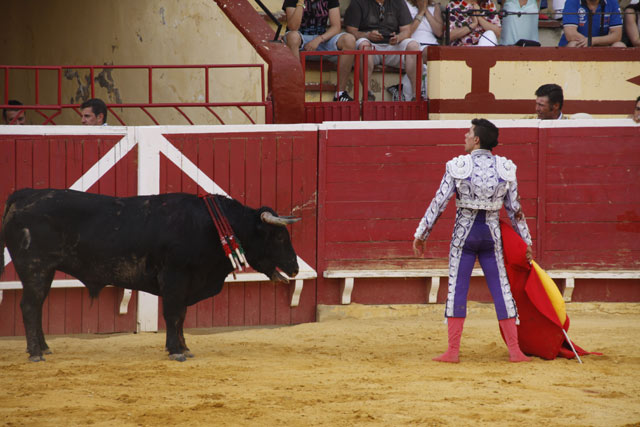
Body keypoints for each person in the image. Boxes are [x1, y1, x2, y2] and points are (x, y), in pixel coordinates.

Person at [413, 118, 532, 363]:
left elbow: (439, 202)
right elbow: (515, 210)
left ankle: (453, 351)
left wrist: (422, 234)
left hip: (464, 237)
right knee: (502, 288)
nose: (465, 136)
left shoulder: (459, 165)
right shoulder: (505, 168)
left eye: (468, 132)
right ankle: (514, 351)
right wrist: (526, 241)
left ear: (476, 139)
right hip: (491, 236)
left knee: (457, 287)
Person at [344, 0, 421, 101]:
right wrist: (367, 35)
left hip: (392, 46)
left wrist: (398, 37)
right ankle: (368, 94)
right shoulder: (358, 2)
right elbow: (351, 30)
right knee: (364, 45)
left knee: (413, 46)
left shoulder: (399, 2)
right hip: (370, 45)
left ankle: (416, 95)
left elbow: (407, 31)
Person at [282, 0, 357, 101]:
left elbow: (336, 27)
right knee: (293, 36)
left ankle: (340, 93)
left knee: (349, 40)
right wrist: (300, 2)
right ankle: (297, 89)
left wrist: (319, 39)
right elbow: (293, 27)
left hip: (321, 40)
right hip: (300, 40)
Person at [386, 0, 443, 101]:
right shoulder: (404, 4)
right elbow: (408, 31)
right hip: (415, 43)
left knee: (438, 56)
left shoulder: (435, 6)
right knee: (427, 57)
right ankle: (416, 94)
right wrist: (420, 12)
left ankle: (403, 88)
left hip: (433, 44)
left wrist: (426, 10)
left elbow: (439, 32)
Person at [558, 0, 625, 47]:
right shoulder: (572, 1)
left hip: (602, 45)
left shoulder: (612, 2)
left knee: (619, 46)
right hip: (581, 45)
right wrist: (589, 42)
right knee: (574, 45)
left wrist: (593, 41)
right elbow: (571, 34)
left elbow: (617, 35)